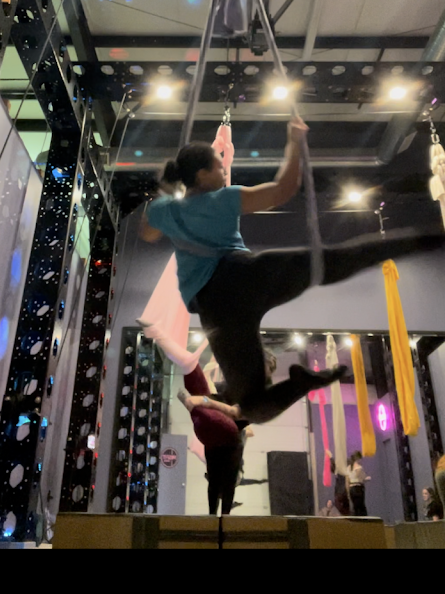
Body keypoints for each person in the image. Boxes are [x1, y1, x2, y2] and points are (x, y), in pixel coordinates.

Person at [140, 114, 444, 425]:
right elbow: (282, 190)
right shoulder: (223, 198)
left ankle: (301, 384)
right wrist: (294, 143)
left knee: (251, 407)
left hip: (216, 311)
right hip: (243, 278)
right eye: (219, 167)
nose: (223, 171)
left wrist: (164, 195)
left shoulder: (165, 210)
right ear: (202, 174)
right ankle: (429, 239)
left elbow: (148, 233)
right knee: (335, 262)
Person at [136, 317, 260, 515]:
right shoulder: (229, 391)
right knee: (188, 365)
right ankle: (217, 514)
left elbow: (234, 412)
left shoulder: (236, 401)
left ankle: (218, 515)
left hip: (223, 434)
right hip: (216, 433)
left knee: (219, 480)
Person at [346, 451, 371, 516]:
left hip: (351, 489)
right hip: (358, 488)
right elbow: (361, 479)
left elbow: (347, 481)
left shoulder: (348, 468)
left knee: (355, 507)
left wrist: (348, 492)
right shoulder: (359, 468)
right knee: (361, 507)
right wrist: (367, 478)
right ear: (358, 458)